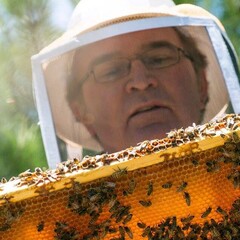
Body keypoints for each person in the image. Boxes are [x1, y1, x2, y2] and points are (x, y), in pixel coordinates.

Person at [32, 0, 240, 168]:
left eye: (159, 58)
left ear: (201, 82)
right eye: (111, 71)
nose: (141, 82)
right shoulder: (61, 220)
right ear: (80, 110)